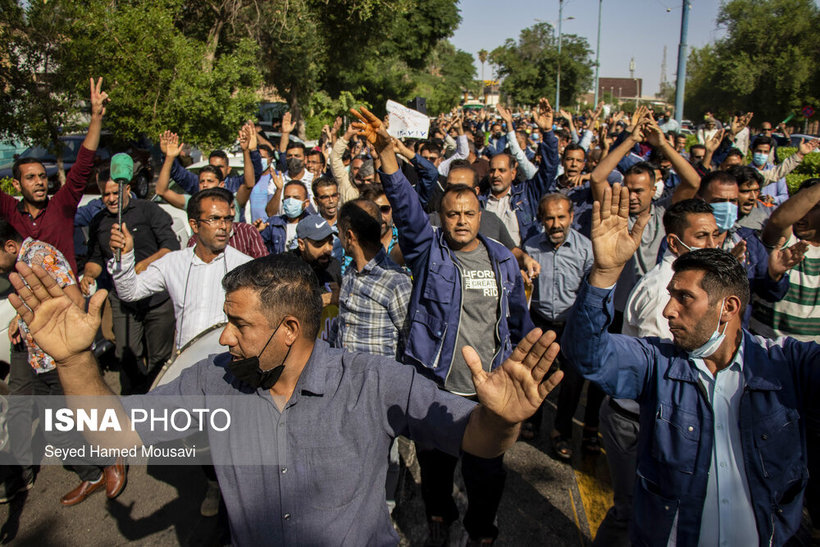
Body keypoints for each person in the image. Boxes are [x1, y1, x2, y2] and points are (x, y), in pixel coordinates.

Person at [8, 253, 564, 546]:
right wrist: (74, 359)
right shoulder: (214, 380)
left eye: (237, 325)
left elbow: (474, 439)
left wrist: (500, 419)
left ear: (290, 329)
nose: (223, 338)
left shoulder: (372, 382)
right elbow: (114, 435)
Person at [562, 183, 819, 546]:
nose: (668, 309)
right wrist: (604, 275)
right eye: (670, 296)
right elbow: (587, 354)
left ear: (728, 308)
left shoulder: (787, 366)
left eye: (684, 298)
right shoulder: (657, 364)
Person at [353, 106, 533, 545]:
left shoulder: (500, 259)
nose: (460, 220)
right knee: (436, 469)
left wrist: (525, 374)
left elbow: (517, 321)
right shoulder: (426, 251)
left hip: (486, 393)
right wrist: (386, 155)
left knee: (486, 473)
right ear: (444, 215)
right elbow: (407, 208)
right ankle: (439, 516)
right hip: (435, 387)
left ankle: (480, 531)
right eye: (451, 213)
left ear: (479, 214)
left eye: (468, 213)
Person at [0, 220, 125, 506]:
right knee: (57, 428)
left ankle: (109, 459)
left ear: (9, 246)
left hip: (60, 361)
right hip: (40, 361)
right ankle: (93, 473)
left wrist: (69, 355)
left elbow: (72, 303)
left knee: (69, 424)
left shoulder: (39, 258)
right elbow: (42, 305)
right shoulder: (21, 264)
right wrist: (19, 320)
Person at [108, 187, 253, 350]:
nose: (223, 226)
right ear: (194, 225)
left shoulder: (246, 268)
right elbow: (129, 292)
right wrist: (125, 257)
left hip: (225, 362)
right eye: (214, 219)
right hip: (185, 361)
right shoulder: (173, 263)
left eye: (227, 219)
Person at [81, 169, 180, 394]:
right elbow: (96, 258)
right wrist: (89, 273)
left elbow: (171, 247)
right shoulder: (99, 221)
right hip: (124, 301)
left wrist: (145, 264)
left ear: (127, 189)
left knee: (159, 358)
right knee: (126, 353)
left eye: (114, 193)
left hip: (157, 299)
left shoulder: (149, 210)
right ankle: (133, 401)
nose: (110, 199)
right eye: (105, 195)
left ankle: (159, 398)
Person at [0, 77, 107, 274]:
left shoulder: (61, 206)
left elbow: (83, 163)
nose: (40, 182)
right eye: (30, 178)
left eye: (42, 176)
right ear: (16, 184)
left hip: (66, 298)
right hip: (31, 300)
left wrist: (95, 118)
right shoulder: (11, 211)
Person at [521, 194, 597, 453]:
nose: (556, 224)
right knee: (537, 374)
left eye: (561, 217)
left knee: (572, 381)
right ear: (541, 219)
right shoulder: (530, 248)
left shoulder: (585, 249)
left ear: (572, 217)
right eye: (550, 218)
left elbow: (590, 292)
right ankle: (532, 419)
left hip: (572, 325)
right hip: (541, 322)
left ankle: (561, 431)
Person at [331, 200, 411, 358]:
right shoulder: (350, 272)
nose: (338, 237)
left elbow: (410, 341)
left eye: (339, 231)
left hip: (380, 380)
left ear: (349, 236)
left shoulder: (395, 281)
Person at [751, 178, 820, 342]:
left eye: (813, 208)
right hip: (769, 346)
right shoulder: (784, 243)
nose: (802, 214)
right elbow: (779, 220)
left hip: (812, 356)